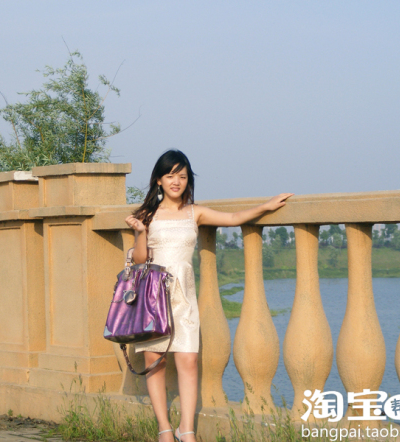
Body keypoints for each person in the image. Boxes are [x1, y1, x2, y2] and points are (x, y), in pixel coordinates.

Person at [124, 150, 293, 442]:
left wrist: (266, 206)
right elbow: (140, 260)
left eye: (182, 176)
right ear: (159, 180)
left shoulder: (195, 212)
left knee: (188, 360)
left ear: (188, 180)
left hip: (184, 297)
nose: (176, 181)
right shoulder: (146, 216)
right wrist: (140, 231)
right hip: (153, 297)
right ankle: (165, 429)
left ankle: (186, 429)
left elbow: (234, 218)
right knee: (155, 361)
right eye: (170, 175)